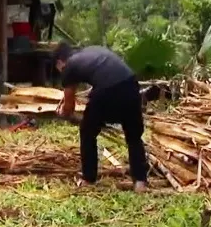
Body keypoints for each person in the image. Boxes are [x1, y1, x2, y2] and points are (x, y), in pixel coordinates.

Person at [53, 41, 149, 192]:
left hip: (107, 89)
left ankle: (88, 178)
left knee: (87, 131)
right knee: (133, 136)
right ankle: (140, 181)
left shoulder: (69, 66)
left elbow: (68, 105)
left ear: (59, 62)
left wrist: (63, 113)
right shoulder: (92, 50)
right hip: (131, 83)